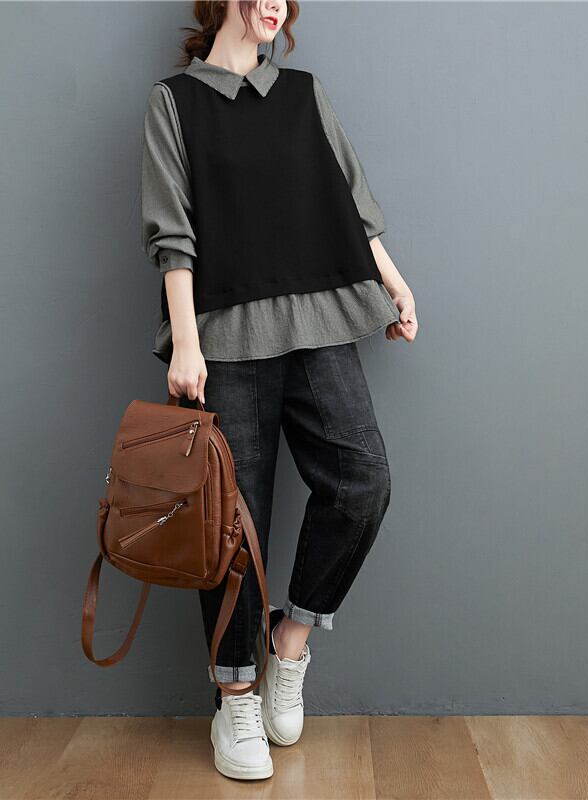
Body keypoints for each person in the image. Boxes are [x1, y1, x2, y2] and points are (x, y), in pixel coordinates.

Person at [140, 0, 418, 781]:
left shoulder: (303, 93)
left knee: (362, 482)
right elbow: (172, 234)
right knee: (230, 527)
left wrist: (395, 284)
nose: (276, 5)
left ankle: (289, 643)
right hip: (225, 338)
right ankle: (234, 699)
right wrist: (186, 343)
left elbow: (350, 204)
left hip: (319, 321)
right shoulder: (175, 102)